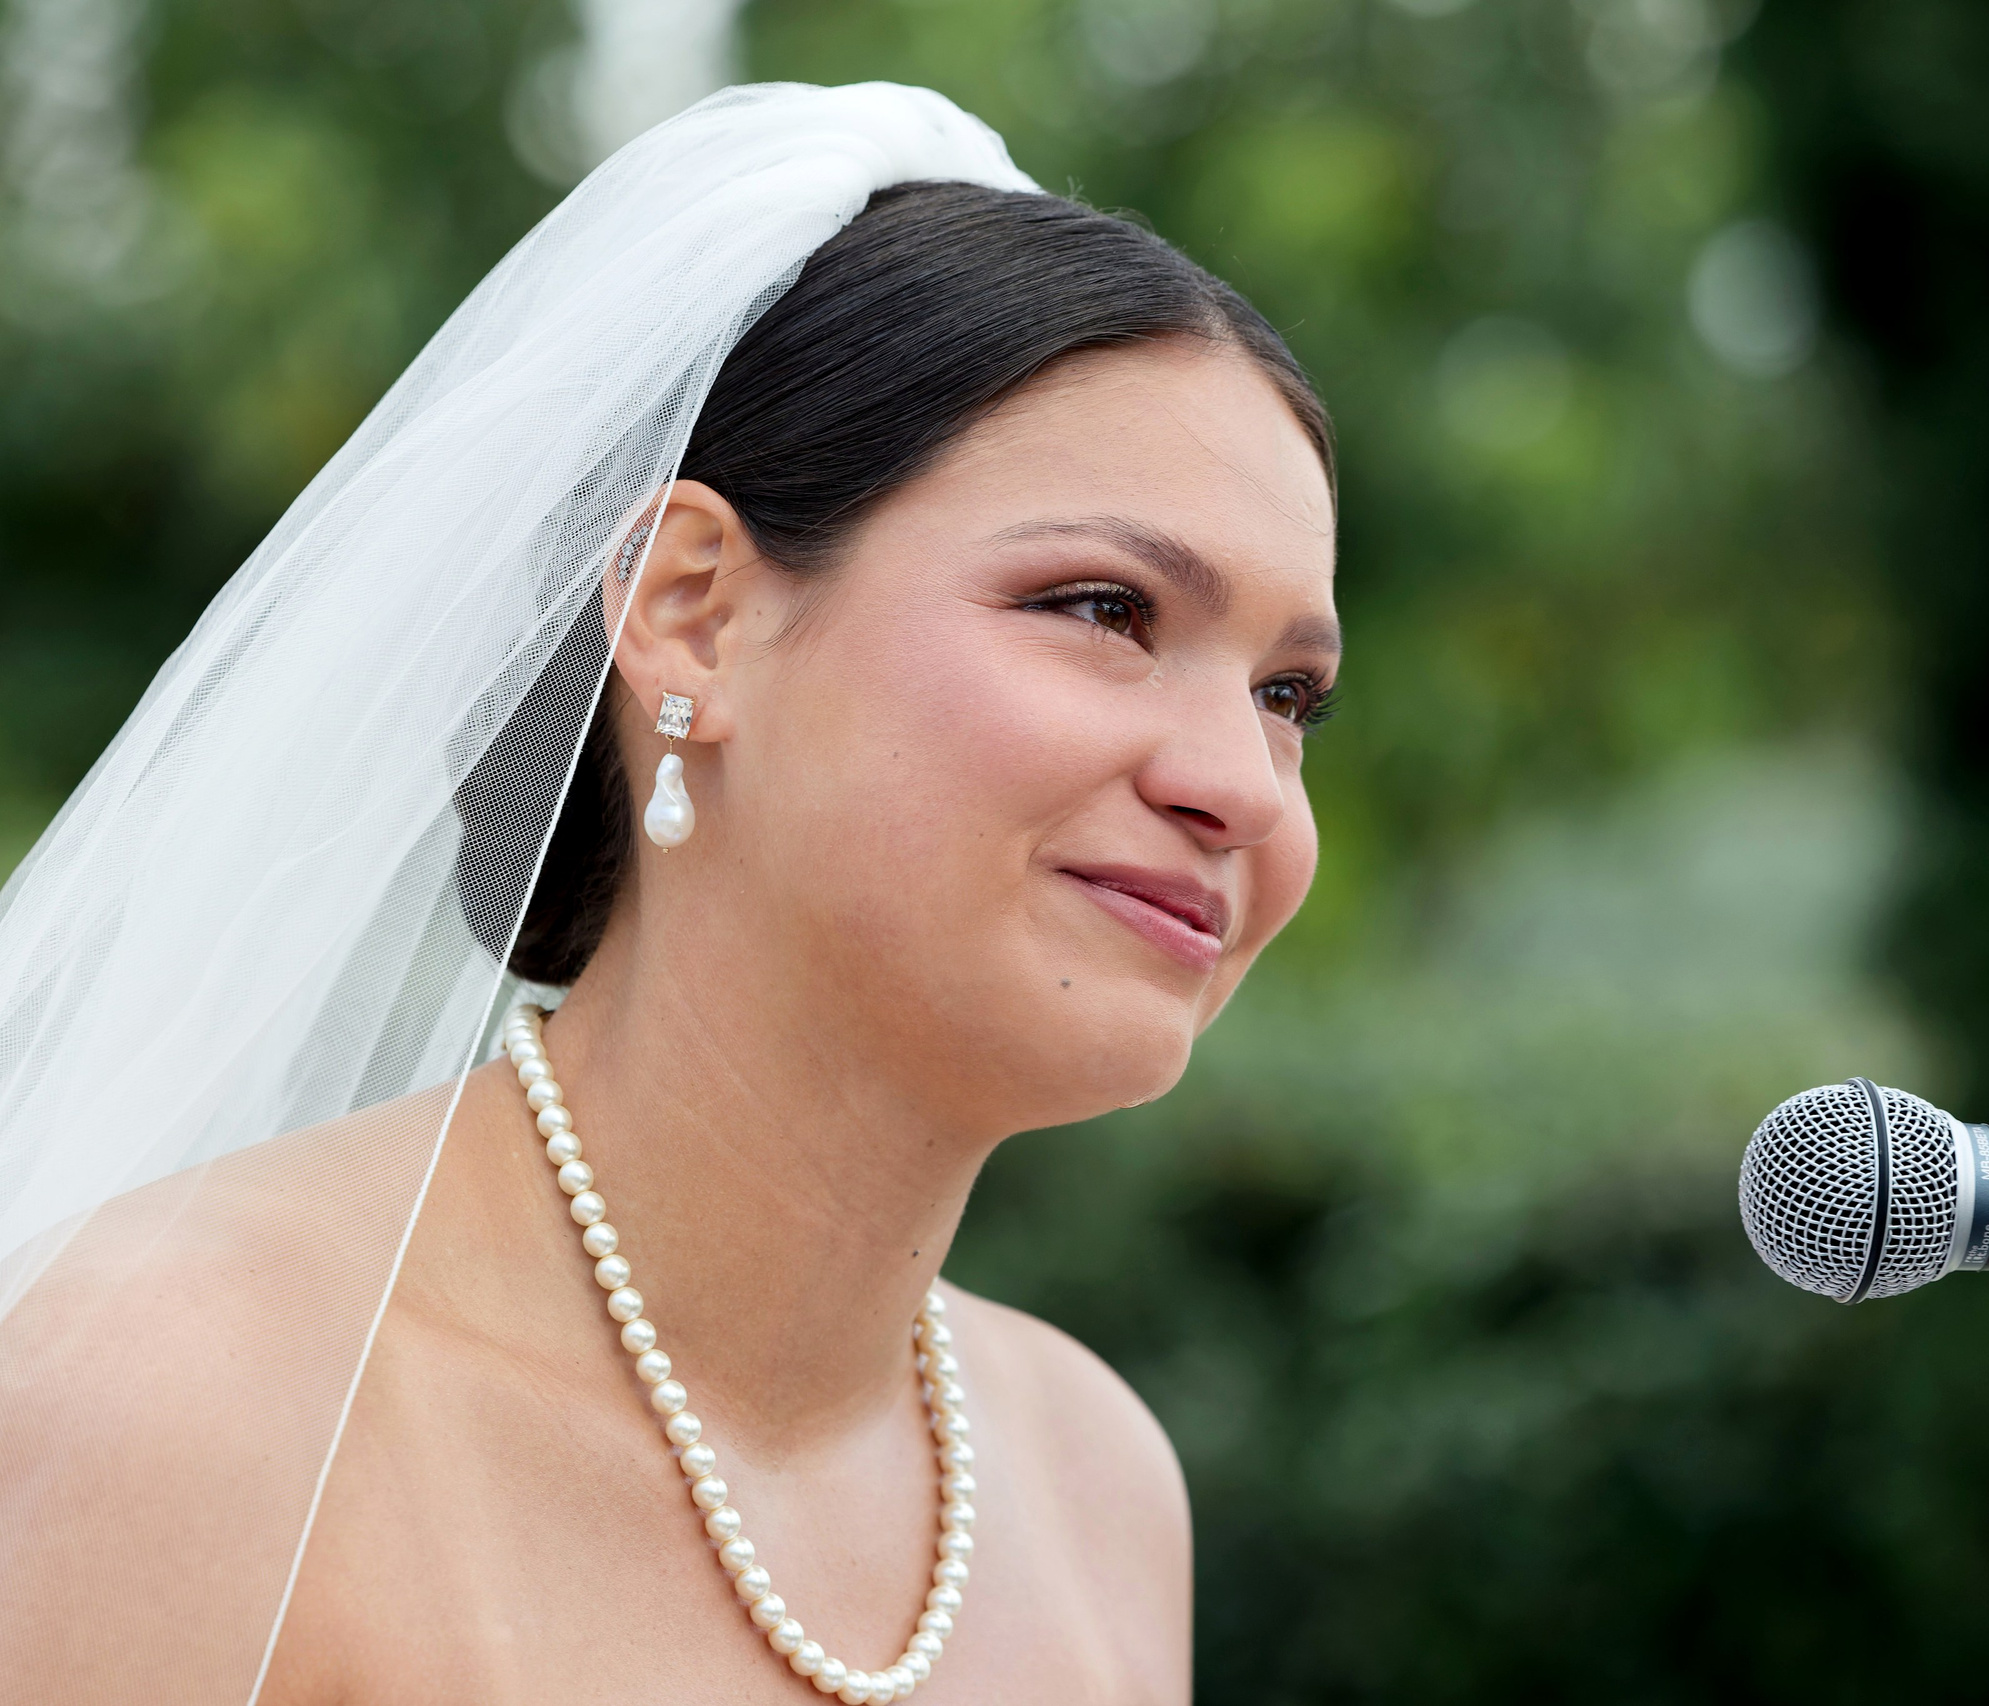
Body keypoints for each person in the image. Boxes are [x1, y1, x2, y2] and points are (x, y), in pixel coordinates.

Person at [0, 83, 1337, 1704]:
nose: (1243, 786)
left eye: (1289, 696)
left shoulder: (1094, 1482)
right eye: (1102, 605)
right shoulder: (175, 1402)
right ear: (694, 612)